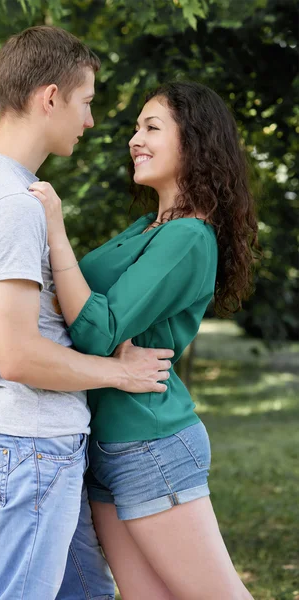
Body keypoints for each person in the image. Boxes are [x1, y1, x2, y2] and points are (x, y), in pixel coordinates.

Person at [0, 26, 174, 600]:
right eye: (86, 102)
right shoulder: (11, 204)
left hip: (30, 441)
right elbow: (17, 354)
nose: (91, 121)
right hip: (32, 443)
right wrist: (123, 372)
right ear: (49, 97)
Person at [28, 81, 260, 600]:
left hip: (151, 444)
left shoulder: (187, 237)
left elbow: (96, 327)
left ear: (195, 143)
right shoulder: (146, 227)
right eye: (136, 127)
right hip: (107, 443)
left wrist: (56, 229)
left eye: (151, 127)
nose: (135, 138)